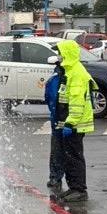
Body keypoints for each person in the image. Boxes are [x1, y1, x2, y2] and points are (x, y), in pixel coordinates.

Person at [49, 40, 95, 202]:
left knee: (74, 157)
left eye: (60, 53)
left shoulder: (77, 73)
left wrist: (70, 123)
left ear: (67, 54)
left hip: (75, 125)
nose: (58, 57)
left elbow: (76, 102)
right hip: (68, 124)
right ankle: (73, 187)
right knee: (69, 157)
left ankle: (79, 190)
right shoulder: (69, 71)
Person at [44, 58, 65, 192]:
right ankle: (57, 178)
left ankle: (56, 178)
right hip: (61, 121)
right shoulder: (55, 80)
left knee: (59, 151)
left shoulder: (55, 80)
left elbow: (49, 99)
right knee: (63, 152)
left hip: (62, 121)